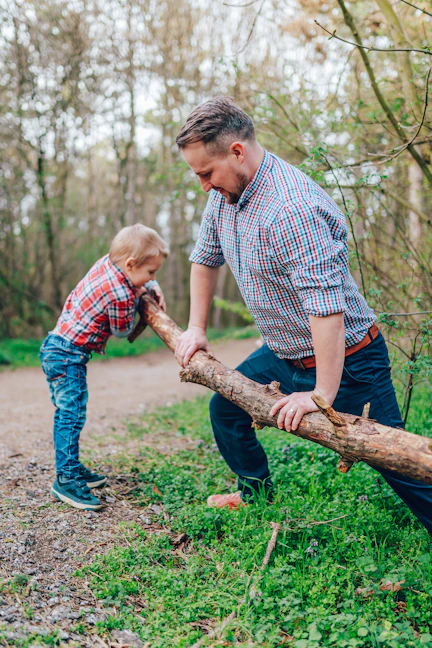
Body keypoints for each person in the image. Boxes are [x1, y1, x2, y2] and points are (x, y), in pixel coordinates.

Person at [174, 96, 432, 534]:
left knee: (400, 464)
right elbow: (205, 257)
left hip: (349, 362)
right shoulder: (225, 193)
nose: (203, 185)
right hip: (285, 353)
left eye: (206, 173)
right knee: (227, 409)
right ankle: (255, 492)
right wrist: (196, 328)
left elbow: (327, 309)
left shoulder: (292, 209)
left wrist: (320, 394)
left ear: (237, 151)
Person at [40, 224, 169, 511]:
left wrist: (148, 285)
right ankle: (66, 478)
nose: (152, 277)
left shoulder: (107, 262)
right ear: (131, 265)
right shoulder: (121, 294)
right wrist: (138, 297)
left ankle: (70, 464)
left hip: (56, 348)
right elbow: (121, 331)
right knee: (70, 416)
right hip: (66, 356)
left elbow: (135, 278)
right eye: (151, 273)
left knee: (69, 413)